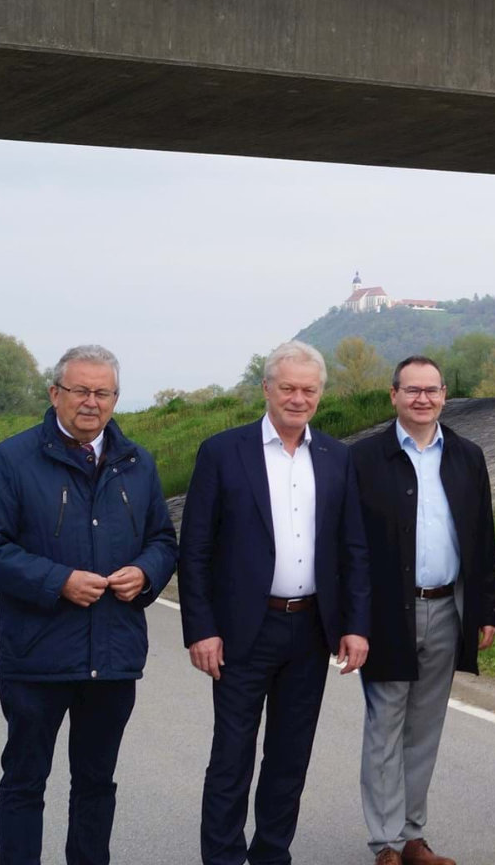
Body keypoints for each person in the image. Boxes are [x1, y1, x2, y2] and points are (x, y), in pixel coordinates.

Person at [0, 345, 178, 865]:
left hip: (114, 654)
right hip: (36, 656)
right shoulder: (12, 459)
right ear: (55, 393)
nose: (91, 402)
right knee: (24, 782)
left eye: (102, 392)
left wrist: (146, 572)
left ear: (116, 398)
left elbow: (164, 542)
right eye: (79, 390)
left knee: (97, 784)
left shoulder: (137, 462)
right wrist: (57, 581)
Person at [179, 339, 372, 865]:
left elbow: (352, 548)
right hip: (244, 629)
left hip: (311, 631)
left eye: (308, 389)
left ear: (320, 394)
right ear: (266, 389)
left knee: (290, 757)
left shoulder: (336, 456)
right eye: (287, 387)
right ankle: (222, 857)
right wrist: (200, 627)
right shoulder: (223, 451)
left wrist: (355, 625)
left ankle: (271, 854)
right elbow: (194, 548)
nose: (297, 398)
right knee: (232, 755)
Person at [351, 356, 495, 865]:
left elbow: (482, 537)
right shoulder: (365, 458)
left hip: (447, 609)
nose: (422, 398)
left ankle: (413, 835)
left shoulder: (467, 455)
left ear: (444, 395)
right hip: (387, 615)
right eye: (411, 390)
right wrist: (353, 620)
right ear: (393, 395)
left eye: (431, 390)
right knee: (384, 727)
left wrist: (486, 610)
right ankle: (386, 842)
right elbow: (349, 546)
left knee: (425, 729)